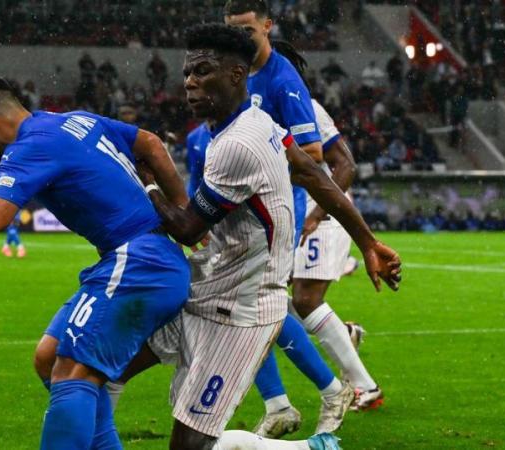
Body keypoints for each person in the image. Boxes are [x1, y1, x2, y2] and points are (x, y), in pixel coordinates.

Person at [115, 23, 401, 450]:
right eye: (188, 72)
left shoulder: (238, 145)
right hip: (207, 288)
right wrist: (367, 241)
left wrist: (149, 183)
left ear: (235, 75)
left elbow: (189, 227)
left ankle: (307, 444)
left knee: (189, 444)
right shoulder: (256, 120)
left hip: (239, 311)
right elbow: (310, 172)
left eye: (203, 71)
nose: (190, 82)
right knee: (105, 371)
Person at [0, 73, 192, 449]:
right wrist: (185, 214)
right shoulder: (75, 119)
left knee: (72, 371)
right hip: (142, 259)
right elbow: (152, 144)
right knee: (49, 358)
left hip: (138, 262)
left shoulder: (29, 147)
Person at [224, 1, 367, 435]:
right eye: (234, 31)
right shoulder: (237, 72)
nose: (241, 39)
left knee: (260, 305)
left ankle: (328, 389)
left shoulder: (284, 82)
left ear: (267, 26)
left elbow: (317, 156)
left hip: (275, 208)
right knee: (243, 306)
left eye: (249, 30)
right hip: (245, 207)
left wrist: (260, 173)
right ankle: (284, 401)